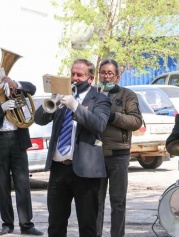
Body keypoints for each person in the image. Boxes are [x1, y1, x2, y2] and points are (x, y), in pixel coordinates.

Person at [34, 59, 111, 237]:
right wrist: (53, 100)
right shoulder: (63, 96)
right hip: (59, 169)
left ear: (90, 78)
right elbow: (39, 119)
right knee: (55, 223)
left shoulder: (100, 99)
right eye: (73, 74)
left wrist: (75, 106)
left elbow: (99, 125)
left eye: (80, 75)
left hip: (85, 171)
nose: (75, 78)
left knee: (87, 225)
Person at [0, 60, 43, 236]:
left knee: (23, 184)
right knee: (3, 187)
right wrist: (1, 108)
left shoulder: (14, 88)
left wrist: (15, 84)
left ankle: (27, 225)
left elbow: (33, 88)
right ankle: (7, 224)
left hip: (18, 141)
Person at [96, 59, 143, 237]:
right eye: (103, 73)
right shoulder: (93, 94)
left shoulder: (127, 95)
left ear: (117, 77)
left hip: (118, 155)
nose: (106, 76)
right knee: (95, 202)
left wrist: (113, 116)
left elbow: (136, 121)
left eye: (110, 73)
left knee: (118, 202)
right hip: (96, 155)